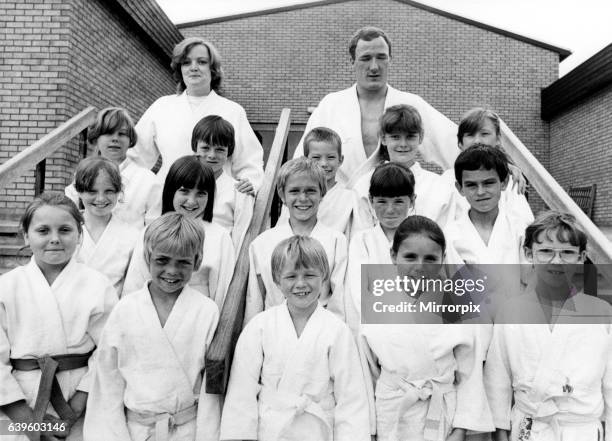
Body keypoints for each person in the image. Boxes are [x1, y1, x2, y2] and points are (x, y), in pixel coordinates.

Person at [84, 213, 221, 441]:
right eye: (162, 260)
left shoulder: (207, 311)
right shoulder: (125, 310)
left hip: (187, 430)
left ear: (197, 262)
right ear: (147, 257)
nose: (171, 271)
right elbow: (108, 382)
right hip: (134, 430)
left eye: (183, 262)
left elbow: (210, 389)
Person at [220, 236, 370, 441]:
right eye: (291, 276)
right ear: (276, 280)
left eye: (309, 275)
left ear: (324, 276)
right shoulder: (260, 327)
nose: (301, 284)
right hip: (270, 431)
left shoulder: (337, 330)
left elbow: (351, 398)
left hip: (317, 431)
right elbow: (241, 393)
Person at [359, 216, 494, 441]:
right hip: (393, 413)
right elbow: (367, 374)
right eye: (410, 256)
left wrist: (461, 429)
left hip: (443, 413)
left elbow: (470, 375)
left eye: (430, 258)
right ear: (393, 256)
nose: (420, 267)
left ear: (442, 260)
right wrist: (370, 430)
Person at [484, 211, 612, 441]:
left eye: (567, 253)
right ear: (528, 253)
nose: (556, 261)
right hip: (529, 429)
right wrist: (501, 435)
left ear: (582, 257)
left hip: (581, 430)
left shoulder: (602, 313)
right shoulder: (510, 311)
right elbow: (497, 382)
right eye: (545, 251)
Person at [0, 193, 116, 441]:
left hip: (80, 398)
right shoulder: (7, 287)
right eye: (43, 231)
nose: (54, 239)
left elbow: (109, 350)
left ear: (79, 234)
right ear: (26, 235)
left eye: (64, 230)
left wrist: (74, 408)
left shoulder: (98, 285)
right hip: (20, 404)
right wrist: (30, 425)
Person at [294, 26, 458, 185]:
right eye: (366, 58)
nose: (374, 67)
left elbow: (457, 149)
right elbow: (301, 164)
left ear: (390, 60)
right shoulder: (331, 105)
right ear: (352, 62)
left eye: (381, 57)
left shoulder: (410, 104)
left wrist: (449, 191)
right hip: (342, 205)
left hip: (393, 203)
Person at [128, 37, 264, 194]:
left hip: (216, 200)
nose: (194, 67)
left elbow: (250, 162)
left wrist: (249, 183)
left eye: (202, 62)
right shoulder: (162, 106)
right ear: (180, 69)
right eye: (186, 62)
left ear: (213, 69)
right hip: (166, 197)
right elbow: (136, 156)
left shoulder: (233, 111)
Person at [245, 157, 348, 324]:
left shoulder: (337, 241)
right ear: (282, 195)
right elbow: (254, 299)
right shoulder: (262, 243)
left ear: (322, 193)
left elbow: (338, 300)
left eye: (310, 191)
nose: (303, 198)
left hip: (321, 329)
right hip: (274, 328)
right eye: (294, 191)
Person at [123, 156, 234, 310]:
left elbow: (222, 292)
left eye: (201, 194)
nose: (191, 201)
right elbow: (135, 284)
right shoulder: (151, 230)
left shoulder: (220, 237)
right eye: (184, 191)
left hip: (197, 318)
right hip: (150, 315)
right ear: (170, 191)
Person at [352, 104, 456, 228]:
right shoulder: (364, 184)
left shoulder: (440, 187)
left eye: (410, 137)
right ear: (383, 138)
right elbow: (360, 235)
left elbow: (446, 235)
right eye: (395, 137)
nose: (403, 144)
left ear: (421, 137)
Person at [65, 107, 161, 229]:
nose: (115, 139)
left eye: (122, 134)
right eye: (108, 133)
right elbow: (68, 220)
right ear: (96, 138)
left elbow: (154, 230)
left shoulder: (148, 181)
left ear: (130, 140)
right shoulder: (81, 176)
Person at [345, 163, 416, 321]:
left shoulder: (423, 240)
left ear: (412, 200)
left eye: (398, 201)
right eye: (382, 201)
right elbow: (360, 293)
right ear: (371, 200)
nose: (390, 210)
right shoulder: (362, 242)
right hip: (374, 326)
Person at [441, 107, 534, 223]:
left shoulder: (510, 180)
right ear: (460, 143)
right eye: (470, 135)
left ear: (498, 139)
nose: (477, 141)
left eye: (484, 134)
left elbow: (525, 223)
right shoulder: (446, 180)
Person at [280, 127, 365, 238]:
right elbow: (282, 231)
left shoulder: (350, 198)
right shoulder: (296, 197)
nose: (324, 163)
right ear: (305, 159)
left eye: (330, 157)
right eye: (316, 157)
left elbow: (358, 235)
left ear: (340, 160)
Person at [73, 157, 138, 295]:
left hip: (112, 312)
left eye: (109, 191)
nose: (101, 198)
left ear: (119, 191)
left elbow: (131, 288)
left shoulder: (132, 236)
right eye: (92, 191)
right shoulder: (66, 229)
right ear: (79, 191)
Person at [191, 115, 254, 252]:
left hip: (221, 258)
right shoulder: (182, 186)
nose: (212, 155)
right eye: (205, 148)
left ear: (229, 151)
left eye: (219, 149)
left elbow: (240, 237)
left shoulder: (239, 191)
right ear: (195, 147)